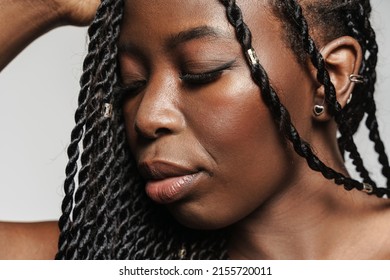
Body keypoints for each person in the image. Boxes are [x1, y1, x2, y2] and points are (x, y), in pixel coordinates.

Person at [1, 0, 390, 260]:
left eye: (200, 72)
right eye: (131, 84)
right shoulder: (103, 253)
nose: (147, 117)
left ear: (331, 77)